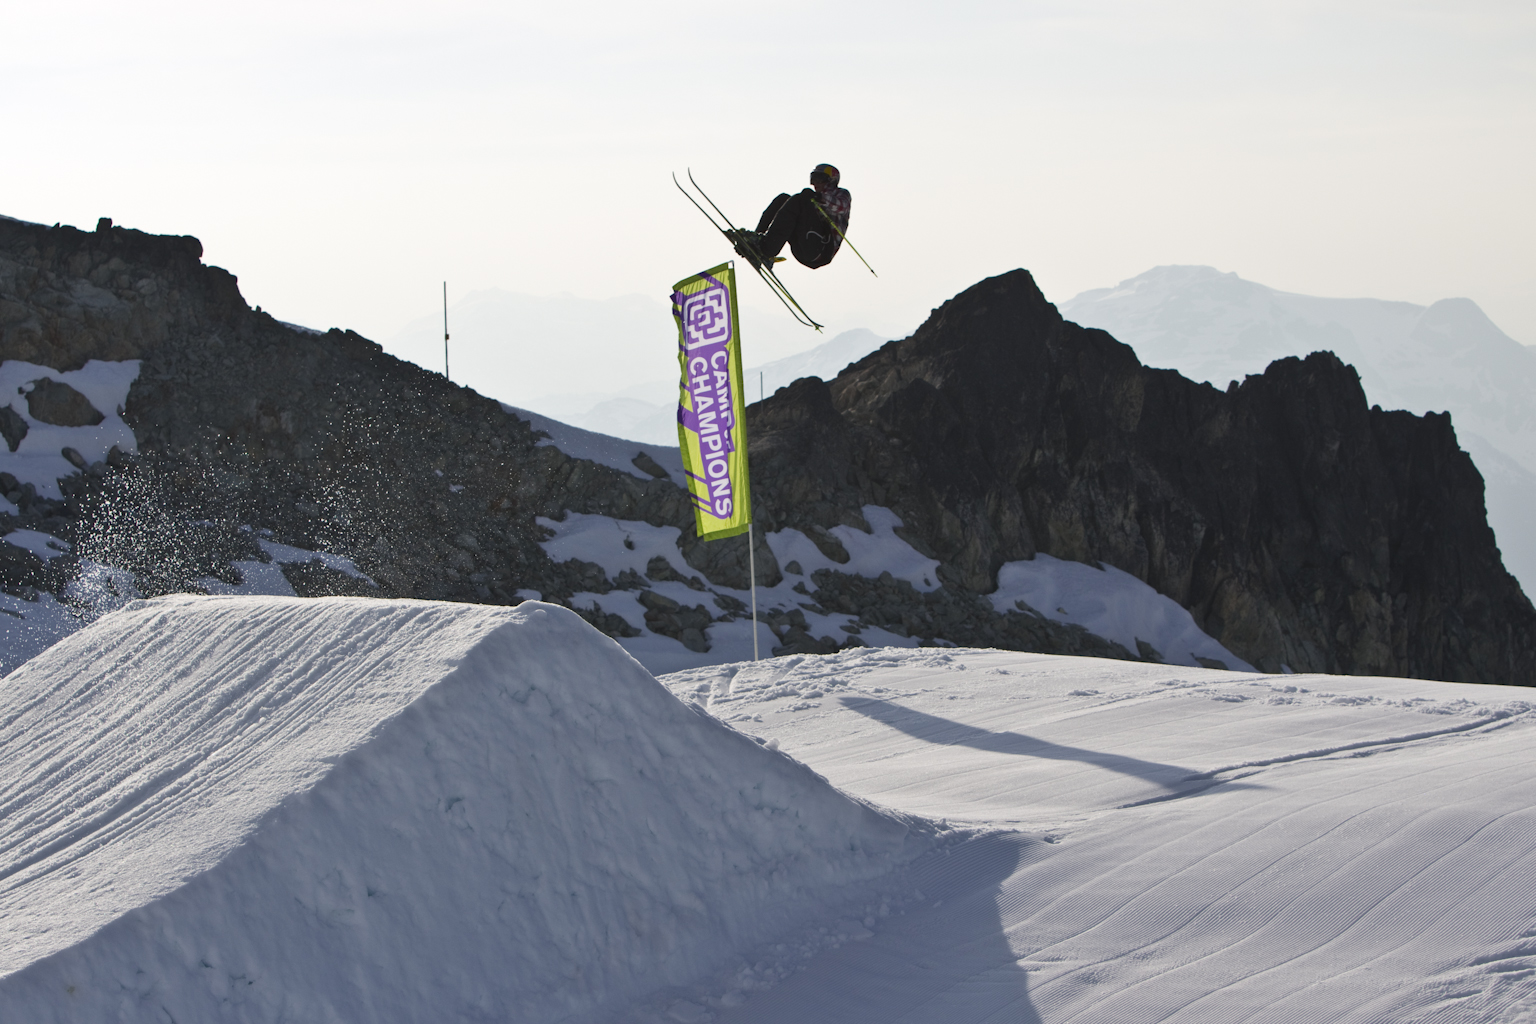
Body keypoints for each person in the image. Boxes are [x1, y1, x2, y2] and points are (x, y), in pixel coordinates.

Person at [730, 164, 851, 271]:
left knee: (800, 200)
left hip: (819, 249)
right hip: (804, 245)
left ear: (830, 180)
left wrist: (818, 198)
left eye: (819, 179)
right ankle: (757, 240)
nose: (815, 183)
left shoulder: (841, 194)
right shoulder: (813, 199)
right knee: (784, 199)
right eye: (813, 179)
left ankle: (767, 250)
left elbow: (841, 205)